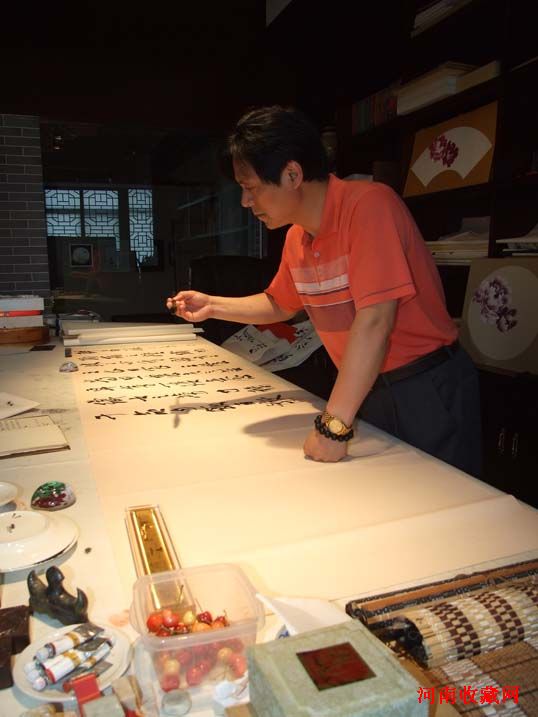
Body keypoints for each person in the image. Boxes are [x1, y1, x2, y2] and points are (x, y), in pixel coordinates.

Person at [167, 105, 481, 476]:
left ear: (292, 174)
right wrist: (212, 305)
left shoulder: (369, 206)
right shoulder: (298, 237)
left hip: (424, 385)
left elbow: (376, 320)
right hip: (366, 385)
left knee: (445, 494)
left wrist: (333, 425)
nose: (245, 202)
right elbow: (279, 304)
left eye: (250, 188)